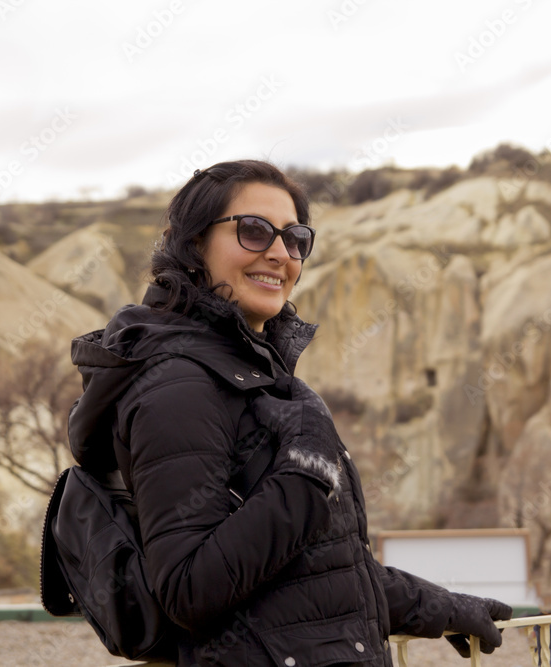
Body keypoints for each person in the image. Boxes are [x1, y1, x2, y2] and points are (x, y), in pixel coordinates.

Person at [66, 159, 512, 665]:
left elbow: (317, 572)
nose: (280, 253)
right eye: (253, 232)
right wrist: (310, 469)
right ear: (194, 245)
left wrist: (443, 607)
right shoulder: (178, 388)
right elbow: (188, 588)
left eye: (295, 237)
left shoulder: (256, 380)